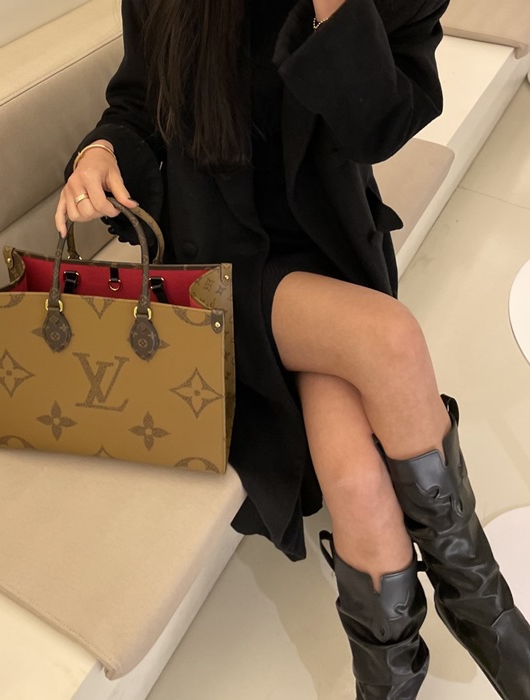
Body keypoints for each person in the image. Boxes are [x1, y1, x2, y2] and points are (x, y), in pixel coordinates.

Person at [55, 0, 530, 696]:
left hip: (331, 252)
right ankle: (489, 616)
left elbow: (379, 127)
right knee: (390, 338)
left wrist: (337, 13)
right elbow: (136, 104)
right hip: (218, 264)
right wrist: (98, 152)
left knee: (359, 486)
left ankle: (399, 674)